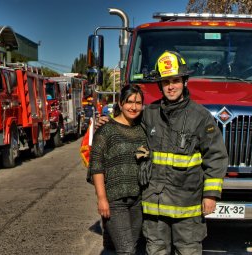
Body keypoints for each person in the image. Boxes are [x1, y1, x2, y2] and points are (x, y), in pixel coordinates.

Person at [98, 51, 228, 254]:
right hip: (154, 207)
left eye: (175, 80)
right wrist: (109, 122)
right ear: (160, 85)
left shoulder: (200, 117)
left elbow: (216, 157)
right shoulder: (149, 114)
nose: (171, 86)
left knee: (188, 251)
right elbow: (126, 123)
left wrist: (210, 195)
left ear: (184, 82)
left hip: (187, 207)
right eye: (166, 81)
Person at [88, 84, 147, 254]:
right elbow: (96, 166)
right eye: (129, 102)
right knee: (127, 250)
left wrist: (143, 153)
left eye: (138, 102)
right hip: (115, 201)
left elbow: (144, 152)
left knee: (129, 246)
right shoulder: (106, 130)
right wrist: (102, 198)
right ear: (120, 104)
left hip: (137, 199)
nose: (133, 107)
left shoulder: (141, 130)